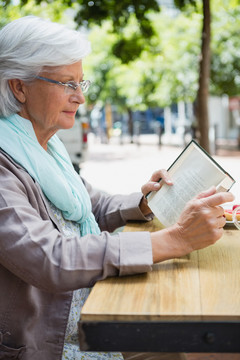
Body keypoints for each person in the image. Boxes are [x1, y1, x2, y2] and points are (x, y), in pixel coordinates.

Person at [0, 16, 234, 360]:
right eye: (67, 84)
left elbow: (91, 205)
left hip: (94, 311)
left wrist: (148, 201)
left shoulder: (44, 148)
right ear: (19, 87)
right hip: (53, 345)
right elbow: (51, 257)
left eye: (81, 83)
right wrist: (174, 240)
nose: (80, 97)